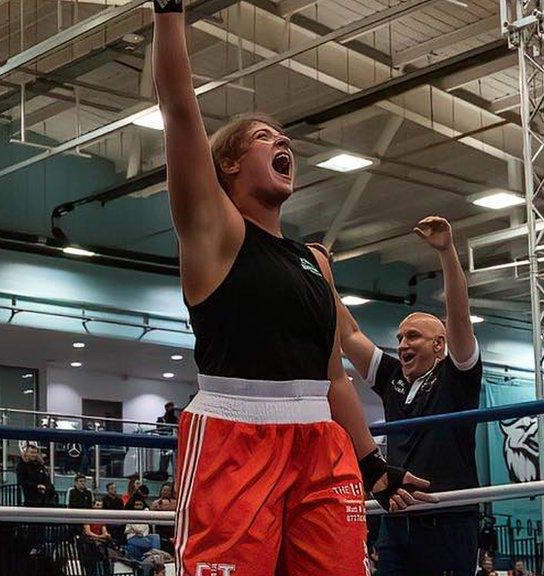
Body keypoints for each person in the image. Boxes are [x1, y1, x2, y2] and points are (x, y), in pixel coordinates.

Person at [152, 1, 434, 574]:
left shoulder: (317, 261)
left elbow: (332, 376)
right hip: (234, 438)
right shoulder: (215, 233)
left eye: (284, 136)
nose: (283, 141)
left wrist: (372, 463)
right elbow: (181, 112)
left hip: (319, 442)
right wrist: (169, 13)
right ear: (228, 165)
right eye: (264, 137)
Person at [339, 216, 483, 576]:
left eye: (413, 337)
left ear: (439, 344)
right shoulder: (391, 378)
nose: (402, 344)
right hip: (397, 519)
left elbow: (459, 317)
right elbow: (349, 334)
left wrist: (447, 252)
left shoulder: (457, 376)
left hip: (448, 520)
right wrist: (321, 275)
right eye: (400, 337)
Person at [150, 483, 177, 552]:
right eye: (164, 490)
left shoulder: (176, 502)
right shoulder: (156, 502)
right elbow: (152, 510)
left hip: (173, 527)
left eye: (167, 490)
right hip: (160, 527)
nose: (165, 492)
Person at [154, 402, 178, 479]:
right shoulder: (161, 419)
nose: (172, 409)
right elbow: (159, 431)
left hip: (174, 445)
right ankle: (162, 477)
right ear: (167, 408)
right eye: (171, 407)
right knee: (164, 464)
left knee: (176, 464)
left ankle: (176, 479)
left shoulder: (176, 420)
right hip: (165, 444)